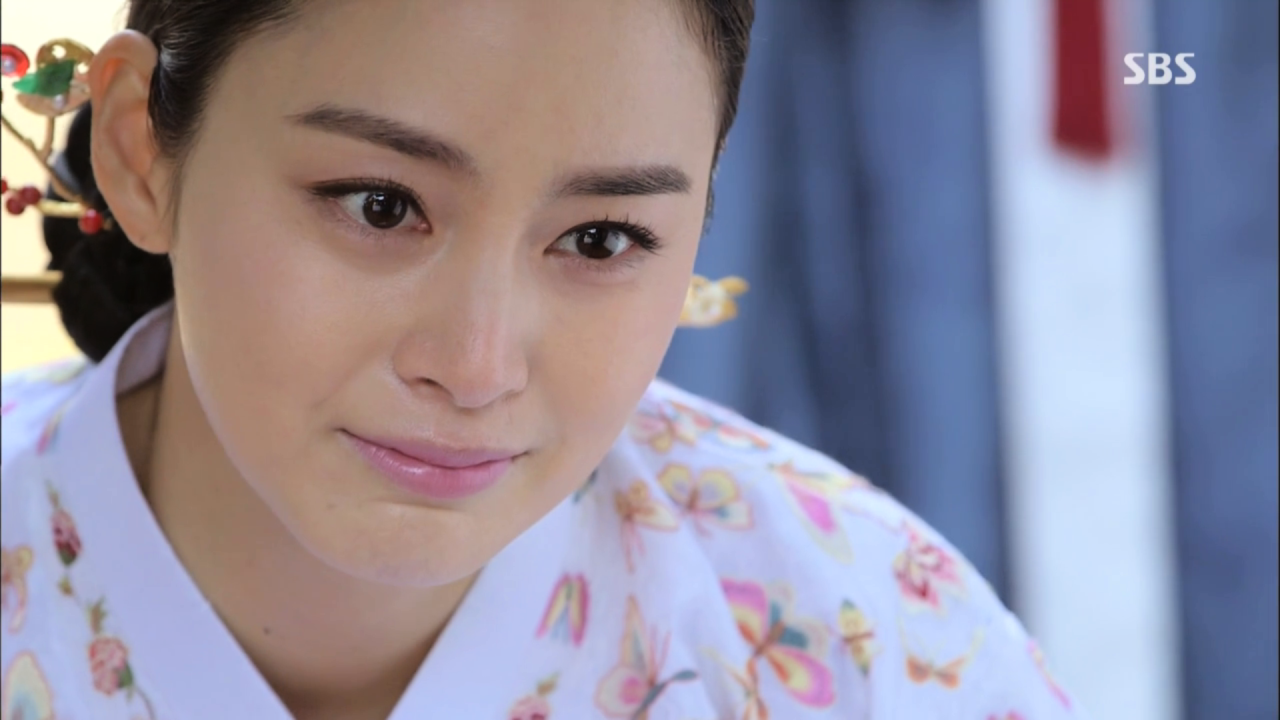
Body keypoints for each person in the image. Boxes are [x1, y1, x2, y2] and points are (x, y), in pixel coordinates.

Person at [0, 1, 1085, 718]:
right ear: (139, 149)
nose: (475, 367)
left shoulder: (878, 639)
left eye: (600, 240)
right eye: (380, 207)